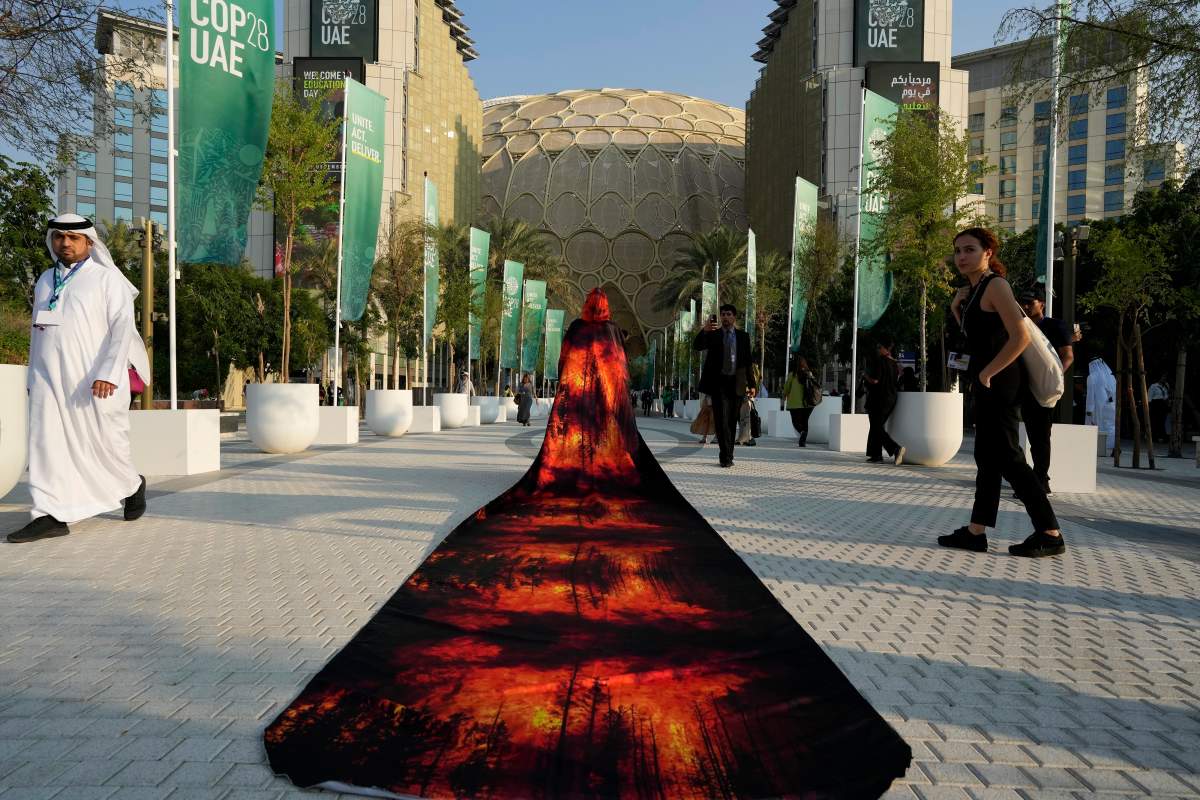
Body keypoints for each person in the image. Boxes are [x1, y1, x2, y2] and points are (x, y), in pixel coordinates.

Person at [7, 214, 150, 544]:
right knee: (45, 445)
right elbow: (37, 333)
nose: (65, 243)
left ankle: (132, 484)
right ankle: (49, 513)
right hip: (47, 380)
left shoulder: (106, 280)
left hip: (94, 381)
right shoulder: (45, 279)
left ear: (89, 242)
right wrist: (32, 375)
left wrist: (108, 374)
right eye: (59, 237)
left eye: (73, 238)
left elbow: (121, 331)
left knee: (102, 445)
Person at [940, 226, 1065, 558]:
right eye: (958, 251)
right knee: (987, 457)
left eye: (969, 249)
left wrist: (988, 372)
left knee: (1008, 456)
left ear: (988, 253)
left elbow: (1021, 336)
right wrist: (957, 310)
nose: (962, 257)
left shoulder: (995, 286)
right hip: (988, 381)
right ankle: (976, 531)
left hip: (1001, 381)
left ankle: (1050, 532)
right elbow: (978, 337)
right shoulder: (975, 289)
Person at [1016, 290, 1075, 494]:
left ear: (1041, 303)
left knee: (1040, 436)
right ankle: (1039, 477)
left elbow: (1067, 355)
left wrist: (1054, 376)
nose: (1025, 306)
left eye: (1029, 302)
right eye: (1021, 302)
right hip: (1023, 387)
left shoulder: (1055, 326)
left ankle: (1039, 480)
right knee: (1026, 436)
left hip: (1044, 387)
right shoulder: (1018, 324)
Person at [693, 304, 752, 468]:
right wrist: (704, 330)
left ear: (734, 317)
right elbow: (697, 346)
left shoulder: (743, 337)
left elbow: (748, 362)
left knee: (732, 421)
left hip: (736, 384)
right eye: (723, 314)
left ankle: (729, 454)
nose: (725, 317)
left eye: (728, 314)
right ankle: (724, 456)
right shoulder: (713, 335)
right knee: (721, 421)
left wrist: (752, 384)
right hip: (718, 384)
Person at [864, 341, 905, 465]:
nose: (878, 349)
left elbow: (875, 380)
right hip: (891, 398)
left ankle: (895, 448)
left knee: (876, 426)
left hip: (879, 398)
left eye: (879, 347)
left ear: (885, 348)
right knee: (877, 425)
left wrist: (865, 376)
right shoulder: (895, 364)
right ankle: (876, 454)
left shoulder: (880, 361)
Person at [782, 357, 819, 447]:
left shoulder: (792, 375)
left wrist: (784, 396)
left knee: (796, 422)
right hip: (808, 403)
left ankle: (802, 433)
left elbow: (786, 388)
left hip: (795, 403)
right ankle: (802, 441)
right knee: (805, 421)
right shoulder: (809, 374)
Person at [1085, 357, 1117, 449]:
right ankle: (1111, 445)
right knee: (1110, 426)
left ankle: (1098, 446)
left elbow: (1090, 395)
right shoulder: (1110, 376)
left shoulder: (1091, 377)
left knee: (1096, 425)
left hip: (1098, 405)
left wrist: (1089, 410)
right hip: (1110, 405)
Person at [1149, 375, 1170, 442]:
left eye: (1165, 377)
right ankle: (1155, 437)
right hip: (1156, 404)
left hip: (1163, 404)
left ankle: (1162, 436)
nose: (1164, 378)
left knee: (1162, 421)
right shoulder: (1154, 386)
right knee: (1155, 420)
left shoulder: (1166, 385)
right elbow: (1149, 397)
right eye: (1163, 377)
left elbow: (1167, 396)